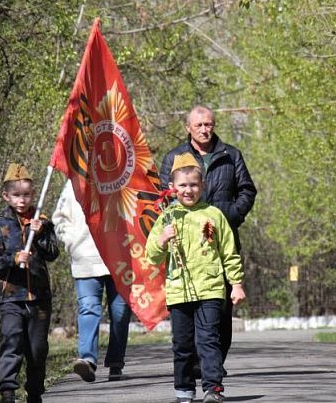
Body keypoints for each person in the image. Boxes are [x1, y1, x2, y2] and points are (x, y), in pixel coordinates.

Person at [159, 106, 257, 367]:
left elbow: (247, 191)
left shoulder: (231, 155)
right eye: (199, 125)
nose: (205, 129)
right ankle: (195, 365)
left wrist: (229, 215)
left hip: (222, 240)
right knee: (189, 308)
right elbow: (163, 198)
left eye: (209, 124)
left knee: (220, 309)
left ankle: (213, 364)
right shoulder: (174, 157)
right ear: (188, 127)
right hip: (186, 247)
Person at [146, 153, 246, 403]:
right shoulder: (167, 217)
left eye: (193, 185)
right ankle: (184, 389)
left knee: (209, 340)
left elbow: (228, 252)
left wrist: (236, 283)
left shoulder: (214, 215)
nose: (188, 190)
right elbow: (151, 257)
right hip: (179, 291)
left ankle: (213, 388)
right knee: (182, 345)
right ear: (172, 188)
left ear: (202, 185)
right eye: (182, 185)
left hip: (210, 290)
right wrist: (162, 240)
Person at [0, 163, 59, 403]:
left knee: (37, 350)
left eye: (26, 194)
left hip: (39, 298)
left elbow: (52, 253)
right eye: (16, 195)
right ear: (6, 196)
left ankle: (35, 392)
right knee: (11, 341)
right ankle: (8, 392)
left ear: (33, 194)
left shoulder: (42, 222)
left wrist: (39, 236)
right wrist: (14, 257)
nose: (22, 200)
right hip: (11, 297)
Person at [52, 180, 132, 382]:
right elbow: (59, 218)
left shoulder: (121, 178)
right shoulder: (72, 183)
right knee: (88, 307)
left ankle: (116, 362)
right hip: (86, 257)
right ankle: (87, 360)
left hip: (120, 257)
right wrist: (73, 244)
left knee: (120, 312)